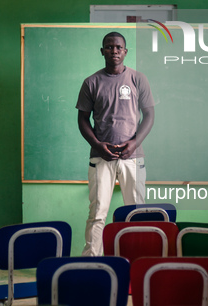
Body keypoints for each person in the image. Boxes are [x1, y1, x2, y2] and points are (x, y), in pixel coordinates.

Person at [76, 31, 155, 256]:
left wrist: (134, 143)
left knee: (136, 212)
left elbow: (149, 115)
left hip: (133, 157)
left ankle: (137, 259)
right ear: (102, 51)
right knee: (98, 213)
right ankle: (92, 262)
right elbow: (82, 119)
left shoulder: (138, 79)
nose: (114, 51)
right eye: (109, 47)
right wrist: (98, 144)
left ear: (125, 51)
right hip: (101, 156)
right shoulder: (91, 82)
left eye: (118, 47)